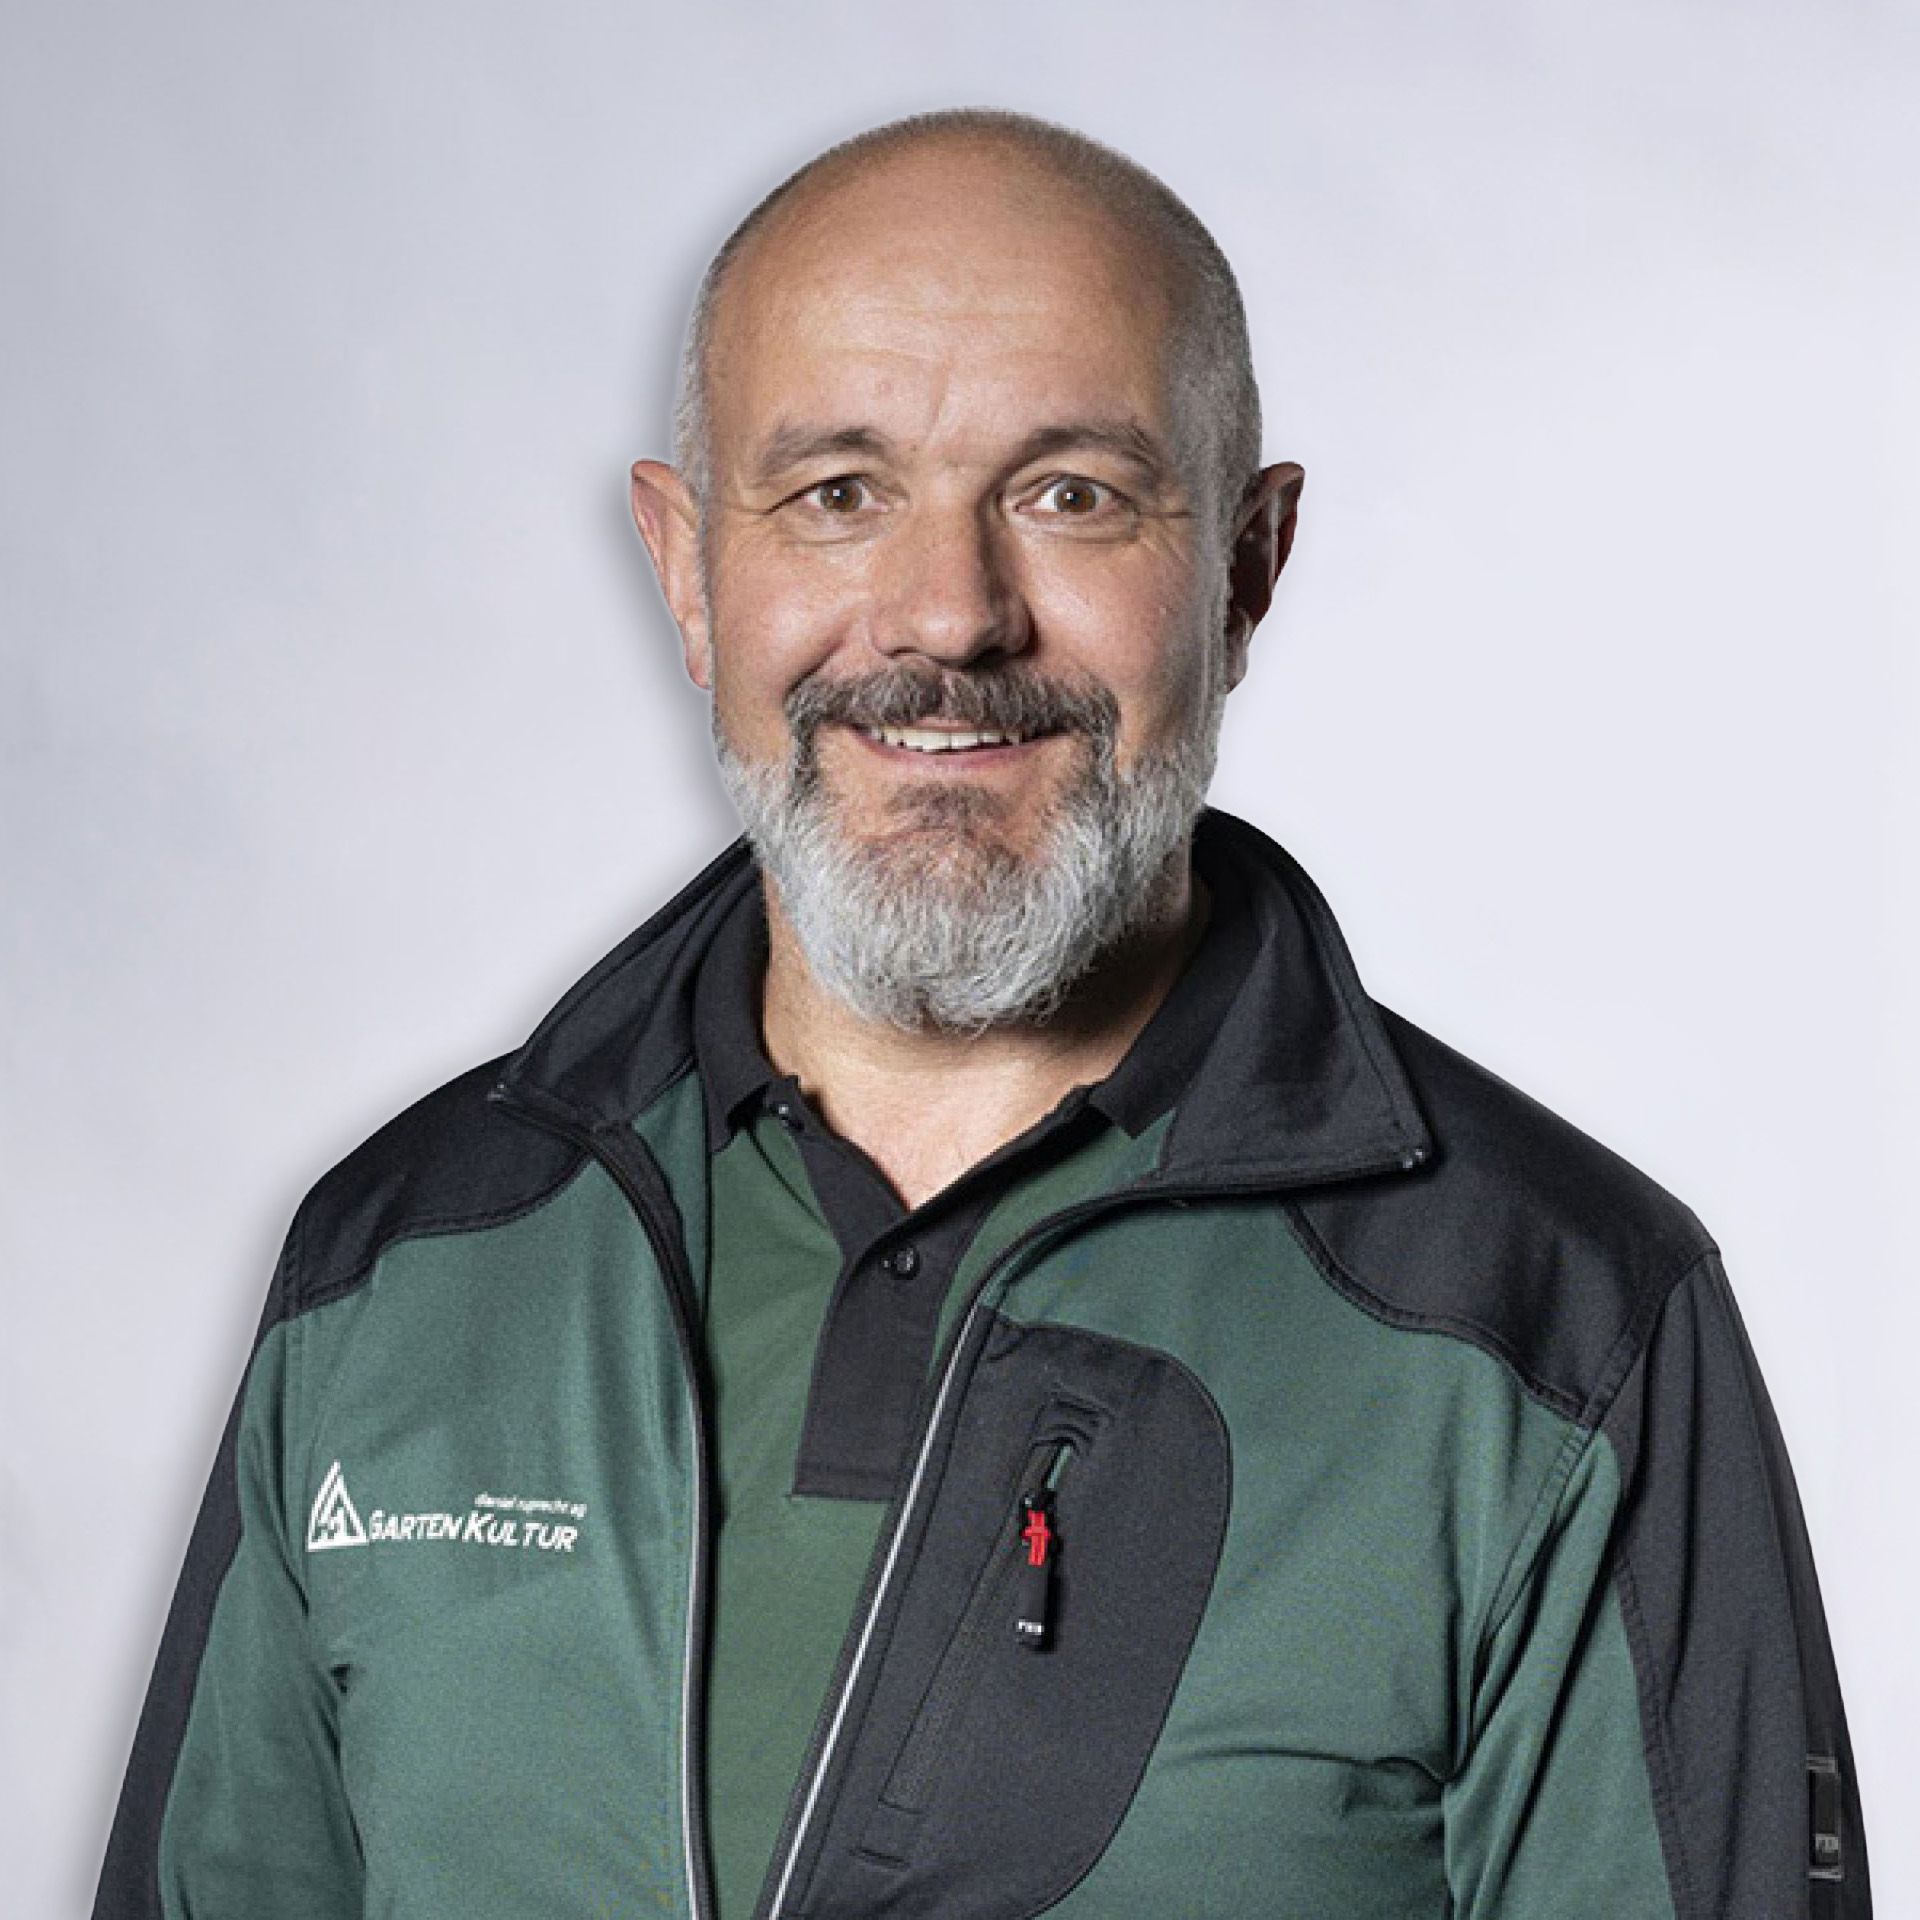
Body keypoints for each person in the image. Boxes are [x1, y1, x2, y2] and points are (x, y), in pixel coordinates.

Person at [94, 107, 1869, 1920]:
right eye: (837, 494)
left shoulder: (1553, 1331)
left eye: (1070, 493)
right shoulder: (400, 1271)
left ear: (1246, 568)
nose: (948, 615)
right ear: (689, 570)